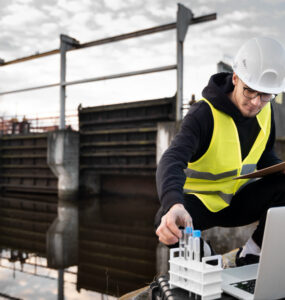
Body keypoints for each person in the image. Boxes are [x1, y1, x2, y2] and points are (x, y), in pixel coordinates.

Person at [155, 37, 285, 266]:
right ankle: (210, 259)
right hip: (200, 205)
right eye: (250, 91)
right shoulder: (203, 115)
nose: (256, 103)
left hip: (237, 201)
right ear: (235, 78)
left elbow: (265, 156)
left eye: (266, 95)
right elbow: (172, 159)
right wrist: (174, 204)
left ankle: (251, 253)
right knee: (165, 220)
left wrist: (279, 170)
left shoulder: (266, 112)